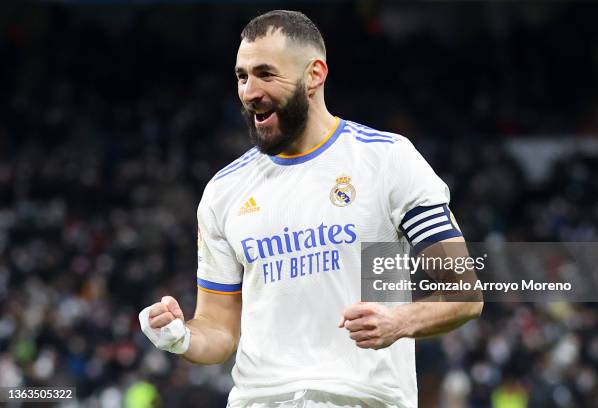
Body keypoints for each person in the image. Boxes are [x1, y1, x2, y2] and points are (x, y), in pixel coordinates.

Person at [139, 10, 483, 408]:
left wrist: (398, 322)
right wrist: (179, 336)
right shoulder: (224, 190)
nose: (250, 91)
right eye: (242, 76)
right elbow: (219, 330)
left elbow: (465, 293)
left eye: (266, 74)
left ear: (314, 75)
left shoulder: (387, 161)